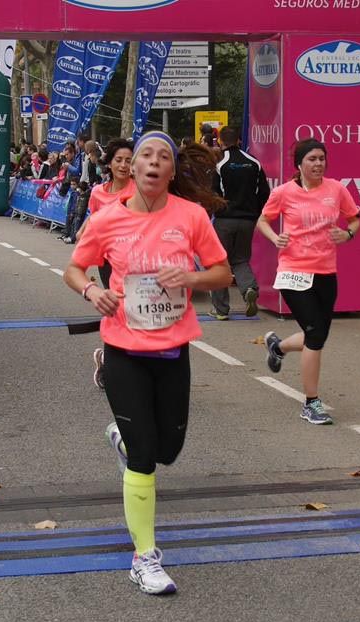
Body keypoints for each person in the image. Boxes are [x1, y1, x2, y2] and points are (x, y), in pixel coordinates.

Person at [63, 132, 231, 595]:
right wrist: (92, 290)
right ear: (131, 168)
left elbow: (222, 272)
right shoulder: (106, 220)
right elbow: (74, 268)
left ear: (172, 171)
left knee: (167, 450)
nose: (154, 163)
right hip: (124, 350)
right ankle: (145, 557)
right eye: (145, 156)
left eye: (163, 158)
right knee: (143, 460)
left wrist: (192, 276)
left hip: (174, 350)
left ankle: (123, 436)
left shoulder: (191, 216)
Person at [257, 139, 360, 425]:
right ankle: (311, 403)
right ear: (299, 164)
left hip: (326, 272)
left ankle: (278, 348)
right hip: (293, 272)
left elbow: (354, 220)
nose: (318, 164)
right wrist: (274, 237)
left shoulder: (336, 189)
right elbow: (263, 221)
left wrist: (347, 234)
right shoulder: (283, 193)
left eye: (321, 159)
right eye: (312, 159)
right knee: (315, 336)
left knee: (318, 336)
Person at [85, 139, 136, 389]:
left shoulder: (140, 191)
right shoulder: (97, 193)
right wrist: (82, 260)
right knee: (118, 309)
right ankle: (109, 360)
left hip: (137, 261)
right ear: (110, 162)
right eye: (119, 160)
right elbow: (93, 225)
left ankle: (121, 360)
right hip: (108, 261)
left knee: (135, 312)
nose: (124, 165)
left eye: (129, 160)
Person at [210, 126, 270, 321]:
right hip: (248, 221)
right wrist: (256, 214)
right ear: (239, 140)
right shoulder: (254, 163)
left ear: (220, 141)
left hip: (225, 220)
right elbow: (264, 193)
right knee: (240, 259)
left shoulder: (220, 165)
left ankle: (221, 310)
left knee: (219, 262)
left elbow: (213, 195)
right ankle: (249, 289)